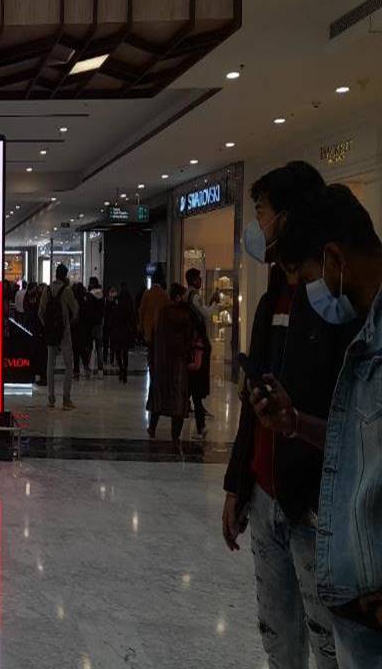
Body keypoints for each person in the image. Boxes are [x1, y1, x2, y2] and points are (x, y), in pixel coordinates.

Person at [249, 184, 382, 665]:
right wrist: (294, 421)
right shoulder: (365, 336)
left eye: (309, 277)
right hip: (356, 588)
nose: (309, 293)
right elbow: (353, 443)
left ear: (333, 258)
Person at [222, 162, 348, 669]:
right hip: (266, 491)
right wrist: (237, 484)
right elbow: (254, 403)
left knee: (329, 642)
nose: (258, 227)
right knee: (277, 635)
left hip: (315, 506)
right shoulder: (272, 295)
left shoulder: (336, 302)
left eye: (263, 215)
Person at [147, 283, 194, 443]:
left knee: (159, 398)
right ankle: (175, 434)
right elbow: (190, 339)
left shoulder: (163, 314)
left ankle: (152, 428)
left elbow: (156, 337)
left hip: (163, 362)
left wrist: (153, 359)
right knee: (178, 401)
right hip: (179, 362)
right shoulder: (187, 315)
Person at [184, 268, 219, 437]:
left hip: (192, 345)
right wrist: (215, 304)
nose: (201, 281)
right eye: (198, 278)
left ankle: (199, 422)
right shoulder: (194, 296)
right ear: (193, 280)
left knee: (193, 388)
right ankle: (200, 426)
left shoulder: (187, 296)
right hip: (197, 346)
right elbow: (205, 314)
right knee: (197, 388)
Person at [39, 264, 79, 410]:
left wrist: (47, 326)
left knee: (50, 365)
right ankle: (66, 399)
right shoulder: (67, 290)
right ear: (65, 275)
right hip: (64, 332)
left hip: (51, 333)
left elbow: (40, 313)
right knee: (69, 364)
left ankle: (51, 399)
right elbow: (75, 311)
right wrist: (68, 322)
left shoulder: (47, 290)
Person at [110, 283, 138, 384]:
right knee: (125, 352)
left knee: (117, 351)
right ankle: (124, 371)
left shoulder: (117, 300)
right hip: (126, 329)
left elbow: (112, 315)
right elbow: (132, 317)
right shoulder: (130, 301)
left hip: (117, 329)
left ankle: (121, 368)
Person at [83, 277, 105, 376]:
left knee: (89, 347)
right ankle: (100, 370)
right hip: (99, 324)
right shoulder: (102, 295)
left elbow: (87, 311)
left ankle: (87, 368)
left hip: (90, 325)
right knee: (99, 348)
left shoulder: (89, 295)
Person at [71, 282, 89, 378]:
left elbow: (74, 316)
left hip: (75, 329)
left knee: (75, 351)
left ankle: (76, 370)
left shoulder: (75, 301)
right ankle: (86, 368)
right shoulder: (85, 301)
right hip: (84, 328)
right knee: (83, 350)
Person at [102, 286, 118, 368]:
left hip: (112, 325)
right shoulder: (105, 301)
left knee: (112, 344)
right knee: (106, 343)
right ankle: (105, 359)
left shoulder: (115, 301)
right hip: (107, 325)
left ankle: (111, 360)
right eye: (112, 291)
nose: (113, 292)